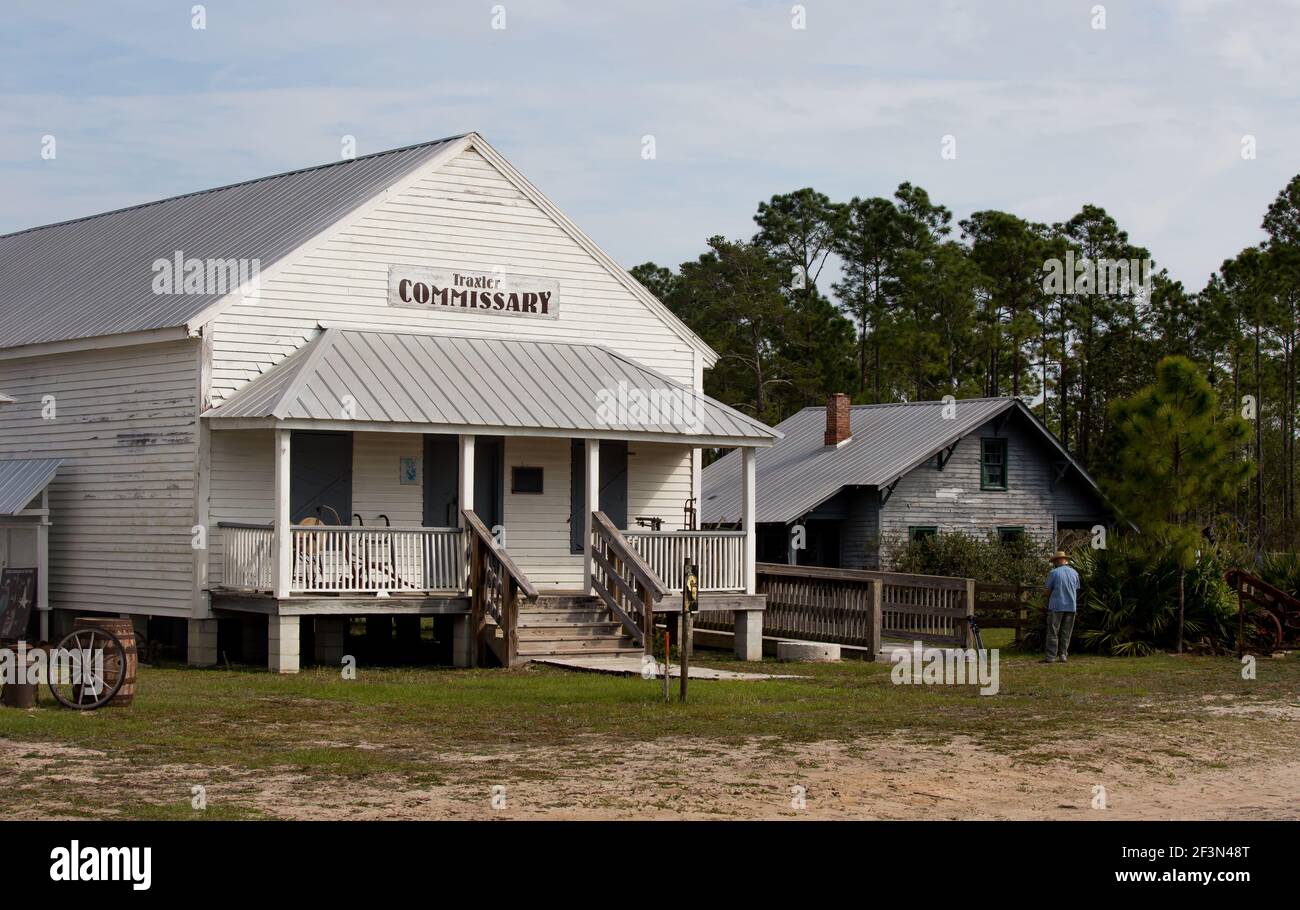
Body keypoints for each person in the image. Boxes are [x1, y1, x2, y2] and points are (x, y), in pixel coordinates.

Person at [1043, 550, 1080, 662]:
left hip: (1056, 605)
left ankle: (1051, 656)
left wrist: (1047, 598)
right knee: (1066, 632)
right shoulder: (1074, 573)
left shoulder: (1054, 573)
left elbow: (1047, 591)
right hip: (1071, 605)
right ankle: (1063, 654)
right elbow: (1076, 589)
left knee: (1053, 631)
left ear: (1058, 561)